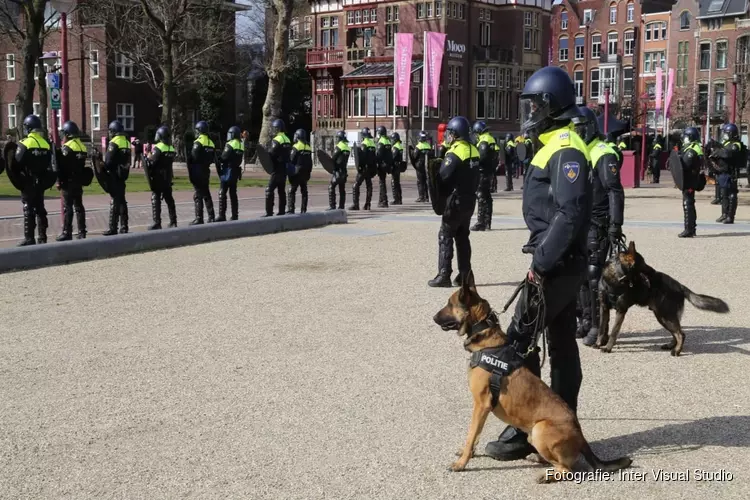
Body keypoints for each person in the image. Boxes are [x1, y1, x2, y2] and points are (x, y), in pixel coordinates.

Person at [484, 66, 592, 462]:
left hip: (557, 263)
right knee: (561, 344)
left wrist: (542, 263)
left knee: (519, 342)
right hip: (558, 260)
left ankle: (522, 426)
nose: (528, 111)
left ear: (549, 105)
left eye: (534, 103)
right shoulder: (553, 142)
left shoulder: (565, 148)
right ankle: (562, 425)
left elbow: (570, 212)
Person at [572, 107, 625, 347]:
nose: (578, 131)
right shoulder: (580, 151)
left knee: (594, 276)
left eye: (581, 127)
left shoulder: (602, 152)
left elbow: (614, 189)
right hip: (581, 221)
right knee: (580, 273)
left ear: (590, 127)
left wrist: (616, 223)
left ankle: (597, 326)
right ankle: (585, 320)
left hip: (599, 221)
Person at [427, 116, 480, 288]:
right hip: (470, 200)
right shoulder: (474, 150)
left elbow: (443, 176)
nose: (448, 136)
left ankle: (444, 274)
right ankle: (465, 274)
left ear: (456, 134)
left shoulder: (455, 152)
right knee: (463, 236)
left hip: (455, 201)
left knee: (445, 234)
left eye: (450, 133)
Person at [12, 115, 53, 245]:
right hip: (41, 181)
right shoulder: (45, 144)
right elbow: (49, 163)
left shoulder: (24, 144)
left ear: (28, 128)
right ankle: (42, 236)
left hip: (28, 181)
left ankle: (29, 237)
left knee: (28, 208)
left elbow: (16, 163)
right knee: (40, 208)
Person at [56, 121, 88, 241]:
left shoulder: (67, 147)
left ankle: (67, 231)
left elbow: (62, 166)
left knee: (67, 207)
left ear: (68, 134)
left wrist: (59, 181)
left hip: (68, 181)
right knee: (79, 206)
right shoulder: (82, 146)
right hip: (78, 181)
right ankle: (82, 231)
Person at [145, 125, 178, 229]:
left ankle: (157, 222)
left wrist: (148, 156)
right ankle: (173, 221)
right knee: (169, 199)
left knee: (156, 198)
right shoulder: (171, 148)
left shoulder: (158, 147)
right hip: (167, 178)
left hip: (158, 177)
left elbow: (152, 163)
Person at [103, 120, 131, 235]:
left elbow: (108, 161)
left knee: (115, 200)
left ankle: (113, 227)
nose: (109, 133)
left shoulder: (114, 142)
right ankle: (124, 226)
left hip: (114, 174)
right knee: (122, 201)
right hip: (123, 174)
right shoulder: (126, 142)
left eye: (110, 131)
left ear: (113, 131)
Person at [712, 123, 744, 224]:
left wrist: (718, 152)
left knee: (731, 194)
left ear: (731, 133)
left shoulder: (736, 144)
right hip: (723, 171)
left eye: (726, 133)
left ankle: (730, 216)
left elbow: (727, 154)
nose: (724, 135)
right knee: (723, 194)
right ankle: (724, 214)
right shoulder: (725, 143)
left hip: (731, 173)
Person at [471, 120, 498, 231]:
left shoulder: (484, 141)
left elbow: (481, 157)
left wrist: (474, 163)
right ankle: (487, 222)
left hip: (483, 172)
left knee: (481, 196)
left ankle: (481, 222)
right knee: (487, 197)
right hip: (489, 171)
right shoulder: (491, 139)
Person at [189, 121, 216, 224]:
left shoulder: (198, 142)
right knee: (206, 193)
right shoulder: (211, 143)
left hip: (198, 170)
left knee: (198, 194)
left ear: (199, 130)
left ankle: (199, 218)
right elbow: (213, 158)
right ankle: (211, 216)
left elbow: (193, 157)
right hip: (206, 170)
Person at [678, 127, 703, 238]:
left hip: (690, 180)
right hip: (689, 179)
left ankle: (689, 229)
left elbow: (686, 164)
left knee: (688, 204)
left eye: (686, 137)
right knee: (689, 203)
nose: (684, 139)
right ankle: (690, 228)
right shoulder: (692, 147)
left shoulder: (693, 150)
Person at [215, 125, 244, 221]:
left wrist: (217, 157)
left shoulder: (230, 144)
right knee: (233, 194)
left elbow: (224, 157)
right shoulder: (241, 144)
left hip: (228, 171)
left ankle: (222, 215)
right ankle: (235, 215)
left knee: (222, 192)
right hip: (236, 171)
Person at [264, 118, 291, 216]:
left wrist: (266, 155)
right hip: (284, 168)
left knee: (269, 190)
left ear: (277, 129)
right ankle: (282, 211)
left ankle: (269, 212)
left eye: (274, 128)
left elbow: (272, 153)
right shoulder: (287, 139)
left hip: (277, 168)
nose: (273, 130)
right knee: (281, 191)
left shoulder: (277, 139)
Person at [350, 127, 376, 211]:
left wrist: (359, 167)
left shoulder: (364, 144)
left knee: (356, 185)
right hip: (370, 168)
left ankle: (356, 205)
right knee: (369, 186)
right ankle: (368, 204)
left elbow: (362, 157)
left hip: (364, 168)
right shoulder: (372, 144)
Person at [287, 128, 313, 214]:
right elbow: (310, 162)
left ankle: (291, 209)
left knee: (291, 191)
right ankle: (303, 210)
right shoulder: (308, 147)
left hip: (297, 172)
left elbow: (291, 159)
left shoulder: (296, 146)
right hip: (305, 173)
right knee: (304, 191)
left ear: (297, 136)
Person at [328, 130, 349, 210]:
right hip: (344, 171)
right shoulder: (347, 147)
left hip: (338, 172)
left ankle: (332, 206)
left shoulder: (339, 146)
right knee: (342, 190)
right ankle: (341, 207)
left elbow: (333, 159)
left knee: (331, 187)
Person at [375, 126, 393, 208]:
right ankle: (381, 200)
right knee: (382, 182)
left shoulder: (381, 142)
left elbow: (379, 155)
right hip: (387, 165)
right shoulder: (388, 141)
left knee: (382, 183)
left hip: (382, 165)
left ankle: (384, 201)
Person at [412, 131, 432, 202]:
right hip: (427, 166)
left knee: (420, 181)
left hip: (420, 166)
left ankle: (421, 197)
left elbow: (414, 156)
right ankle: (426, 197)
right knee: (425, 181)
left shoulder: (418, 146)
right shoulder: (428, 146)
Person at [390, 132, 405, 205]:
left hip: (395, 166)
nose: (391, 141)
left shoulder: (395, 147)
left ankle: (396, 199)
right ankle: (399, 199)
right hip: (399, 166)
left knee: (394, 183)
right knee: (397, 183)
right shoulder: (400, 146)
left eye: (392, 139)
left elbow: (393, 157)